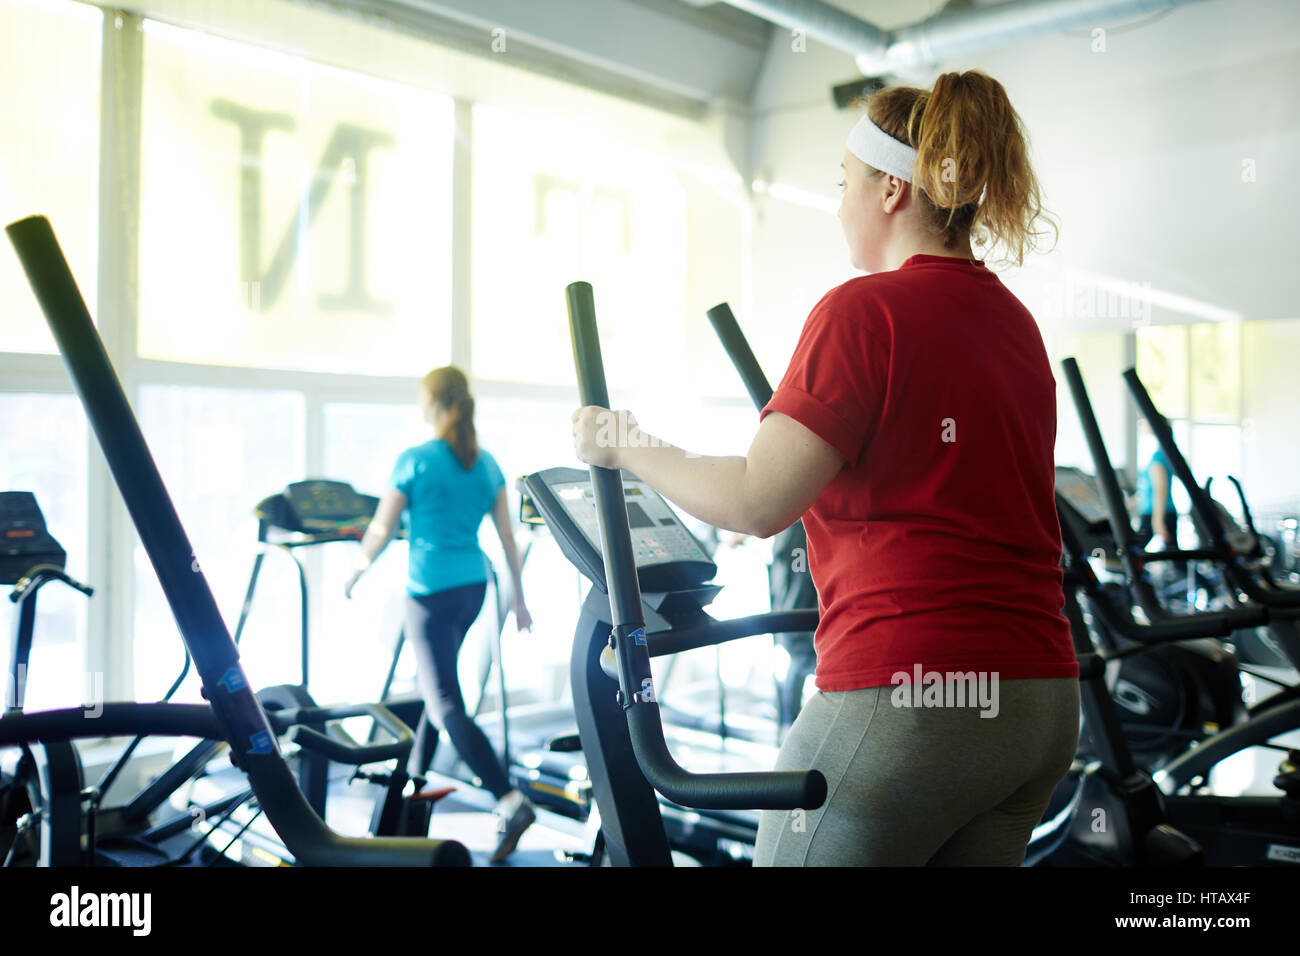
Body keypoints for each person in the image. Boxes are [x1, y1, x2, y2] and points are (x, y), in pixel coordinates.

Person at [572, 71, 1080, 866]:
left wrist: (620, 440)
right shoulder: (1013, 324)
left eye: (844, 182)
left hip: (913, 698)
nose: (839, 202)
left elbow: (753, 500)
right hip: (1036, 704)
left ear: (889, 189)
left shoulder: (862, 311)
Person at [346, 365, 536, 863]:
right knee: (436, 689)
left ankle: (509, 798)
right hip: (473, 588)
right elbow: (508, 536)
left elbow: (381, 530)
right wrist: (518, 597)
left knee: (446, 700)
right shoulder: (486, 462)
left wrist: (355, 572)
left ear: (432, 402)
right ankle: (413, 788)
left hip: (428, 594)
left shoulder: (415, 460)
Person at [1134, 416, 1179, 551]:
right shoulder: (1164, 454)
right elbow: (1146, 490)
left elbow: (1160, 489)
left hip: (1157, 511)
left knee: (1135, 553)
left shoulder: (1158, 457)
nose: (1141, 425)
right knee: (1173, 554)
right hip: (1160, 511)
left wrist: (1157, 519)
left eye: (1144, 422)